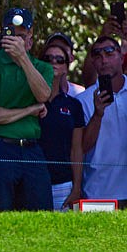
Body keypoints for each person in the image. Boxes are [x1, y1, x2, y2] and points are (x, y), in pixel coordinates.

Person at [0, 7, 54, 211]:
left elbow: (44, 95)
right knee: (1, 213)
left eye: (21, 35)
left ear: (30, 36)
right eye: (11, 34)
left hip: (31, 149)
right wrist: (30, 110)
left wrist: (23, 59)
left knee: (41, 213)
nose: (16, 40)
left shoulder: (42, 67)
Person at [77, 36, 127, 208]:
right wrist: (97, 115)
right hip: (98, 192)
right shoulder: (83, 100)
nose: (103, 59)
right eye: (97, 55)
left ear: (121, 56)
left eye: (109, 52)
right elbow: (81, 147)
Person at [38, 44, 84, 211]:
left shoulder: (74, 105)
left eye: (59, 60)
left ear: (66, 67)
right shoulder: (29, 100)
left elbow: (76, 149)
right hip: (32, 180)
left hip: (63, 184)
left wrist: (76, 187)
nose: (53, 62)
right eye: (48, 58)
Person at [44, 32, 85, 96]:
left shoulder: (81, 93)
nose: (54, 59)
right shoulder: (33, 91)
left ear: (71, 58)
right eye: (53, 47)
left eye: (63, 49)